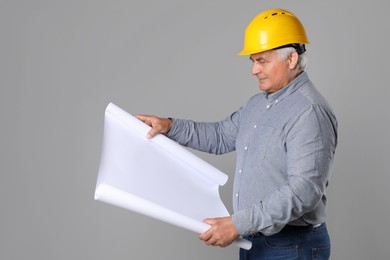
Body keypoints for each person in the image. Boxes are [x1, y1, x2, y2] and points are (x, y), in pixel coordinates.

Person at [135, 8, 337, 260]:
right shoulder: (258, 104)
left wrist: (237, 224)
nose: (254, 70)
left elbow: (303, 191)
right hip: (255, 240)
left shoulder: (310, 111)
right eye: (253, 61)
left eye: (262, 61)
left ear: (292, 59)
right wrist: (170, 126)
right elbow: (221, 135)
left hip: (291, 246)